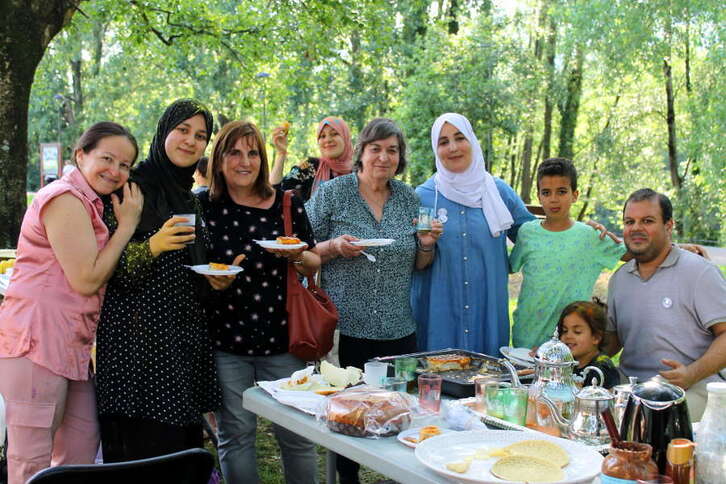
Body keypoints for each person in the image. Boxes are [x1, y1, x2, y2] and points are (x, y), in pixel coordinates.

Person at [0, 122, 143, 484]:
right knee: (30, 462)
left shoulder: (91, 204)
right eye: (107, 158)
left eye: (125, 165)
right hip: (37, 344)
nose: (115, 171)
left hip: (71, 350)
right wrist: (127, 227)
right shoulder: (64, 198)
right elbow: (86, 279)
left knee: (80, 447)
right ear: (81, 154)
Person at [306, 118, 442, 484]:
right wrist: (334, 247)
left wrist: (427, 243)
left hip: (399, 331)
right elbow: (301, 251)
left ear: (400, 157)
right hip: (347, 329)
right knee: (347, 417)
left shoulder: (409, 199)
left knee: (399, 414)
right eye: (376, 149)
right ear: (362, 153)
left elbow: (420, 263)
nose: (384, 157)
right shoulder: (334, 194)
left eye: (392, 150)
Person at [96, 99, 226, 461]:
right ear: (163, 131)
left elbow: (190, 265)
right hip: (138, 345)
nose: (190, 141)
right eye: (182, 130)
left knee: (180, 448)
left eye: (200, 136)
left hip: (181, 338)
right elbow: (107, 270)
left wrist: (214, 279)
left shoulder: (189, 197)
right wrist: (154, 245)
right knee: (145, 449)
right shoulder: (131, 188)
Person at [198, 121, 321, 484]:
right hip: (225, 341)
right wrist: (210, 278)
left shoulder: (285, 202)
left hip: (283, 338)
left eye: (253, 153)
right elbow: (192, 265)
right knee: (235, 435)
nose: (244, 161)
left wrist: (295, 255)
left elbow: (312, 260)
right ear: (219, 158)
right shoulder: (204, 205)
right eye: (234, 152)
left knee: (297, 435)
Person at [411, 113, 534, 357]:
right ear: (436, 149)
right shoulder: (424, 196)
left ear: (473, 141)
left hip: (486, 313)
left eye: (459, 138)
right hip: (440, 315)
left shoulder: (498, 191)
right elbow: (413, 261)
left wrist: (580, 232)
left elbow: (534, 236)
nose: (453, 147)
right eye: (443, 142)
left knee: (486, 386)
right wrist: (426, 246)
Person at [604, 188, 726, 421]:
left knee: (645, 423)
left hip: (692, 388)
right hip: (631, 387)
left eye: (647, 221)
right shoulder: (619, 279)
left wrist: (691, 373)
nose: (636, 228)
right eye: (630, 221)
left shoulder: (699, 273)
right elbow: (612, 342)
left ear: (668, 226)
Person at [510, 158, 625, 349]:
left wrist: (675, 248)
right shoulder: (527, 233)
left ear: (575, 195)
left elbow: (636, 252)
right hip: (526, 340)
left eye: (562, 191)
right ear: (539, 196)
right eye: (546, 192)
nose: (554, 199)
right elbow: (507, 266)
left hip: (570, 345)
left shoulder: (591, 236)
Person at [270, 116, 354, 201]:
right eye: (322, 136)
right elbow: (274, 191)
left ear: (345, 137)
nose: (328, 140)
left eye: (334, 134)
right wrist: (281, 153)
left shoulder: (359, 172)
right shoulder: (311, 167)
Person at [557, 299, 619, 389]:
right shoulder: (568, 362)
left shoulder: (602, 370)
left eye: (577, 332)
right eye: (564, 331)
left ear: (596, 338)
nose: (568, 336)